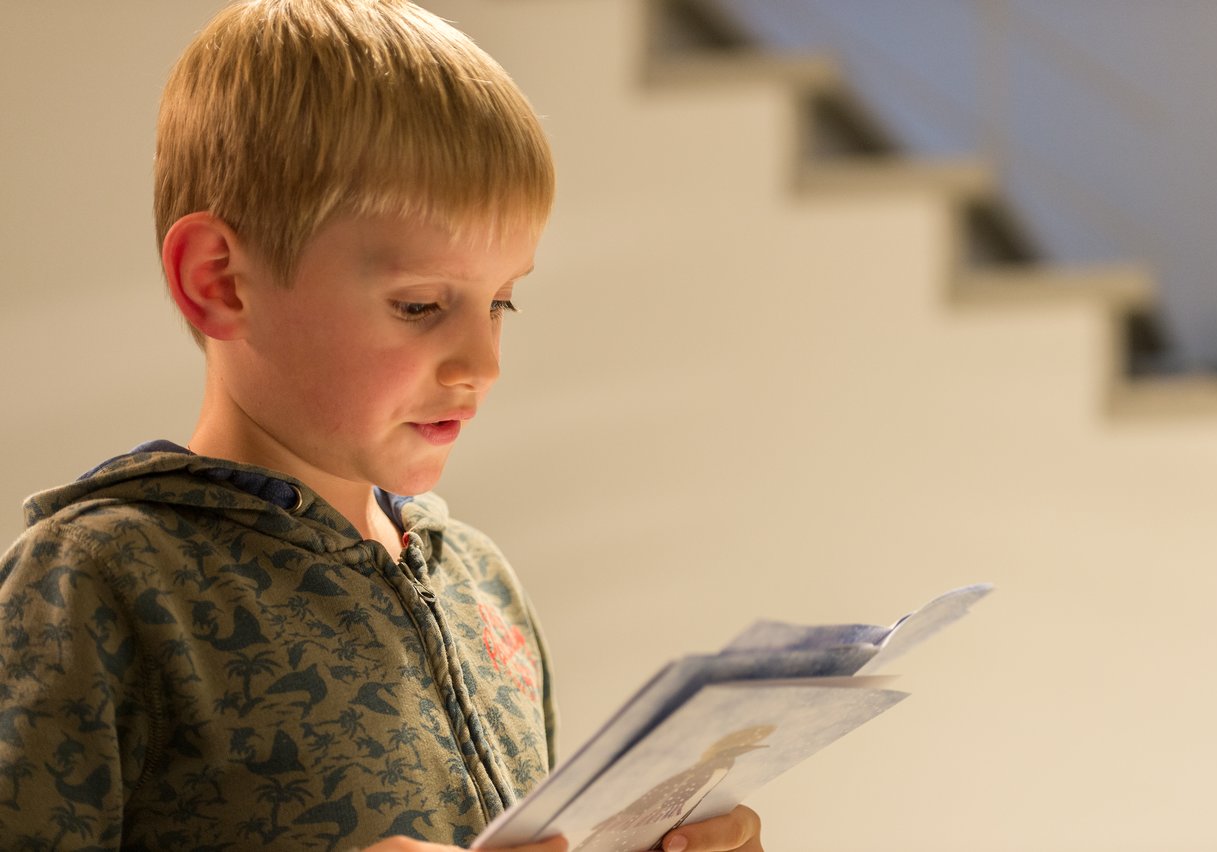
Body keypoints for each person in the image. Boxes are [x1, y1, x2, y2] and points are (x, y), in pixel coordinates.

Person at [0, 1, 764, 850]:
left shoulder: (483, 584)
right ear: (220, 282)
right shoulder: (98, 584)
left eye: (502, 301)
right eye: (421, 305)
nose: (483, 361)